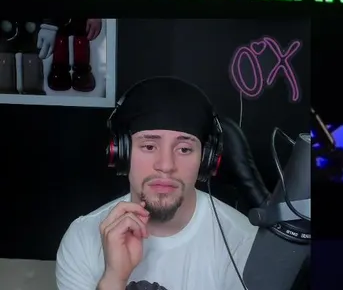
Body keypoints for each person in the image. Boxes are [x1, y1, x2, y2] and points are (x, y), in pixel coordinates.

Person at [54, 77, 255, 290]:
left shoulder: (244, 243)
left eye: (184, 149)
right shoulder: (83, 239)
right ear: (121, 154)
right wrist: (114, 278)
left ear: (206, 161)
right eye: (149, 147)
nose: (166, 166)